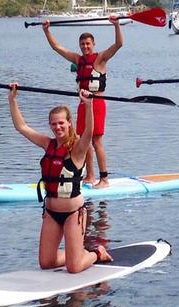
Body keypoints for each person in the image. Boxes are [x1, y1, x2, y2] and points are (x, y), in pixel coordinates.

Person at [8, 83, 112, 273]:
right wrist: (12, 99)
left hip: (74, 214)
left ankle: (96, 253)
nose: (57, 127)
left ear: (69, 122)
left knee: (74, 268)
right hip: (51, 214)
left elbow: (89, 133)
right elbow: (21, 127)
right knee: (46, 263)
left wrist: (88, 105)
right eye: (54, 124)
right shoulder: (47, 144)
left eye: (61, 123)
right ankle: (77, 252)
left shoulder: (77, 149)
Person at [42, 15, 123, 188]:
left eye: (88, 44)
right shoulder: (77, 60)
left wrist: (116, 25)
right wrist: (47, 30)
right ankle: (89, 176)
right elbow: (56, 47)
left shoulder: (100, 58)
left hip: (98, 104)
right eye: (82, 44)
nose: (85, 47)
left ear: (93, 44)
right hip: (82, 105)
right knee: (82, 141)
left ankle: (104, 179)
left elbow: (118, 45)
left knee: (96, 141)